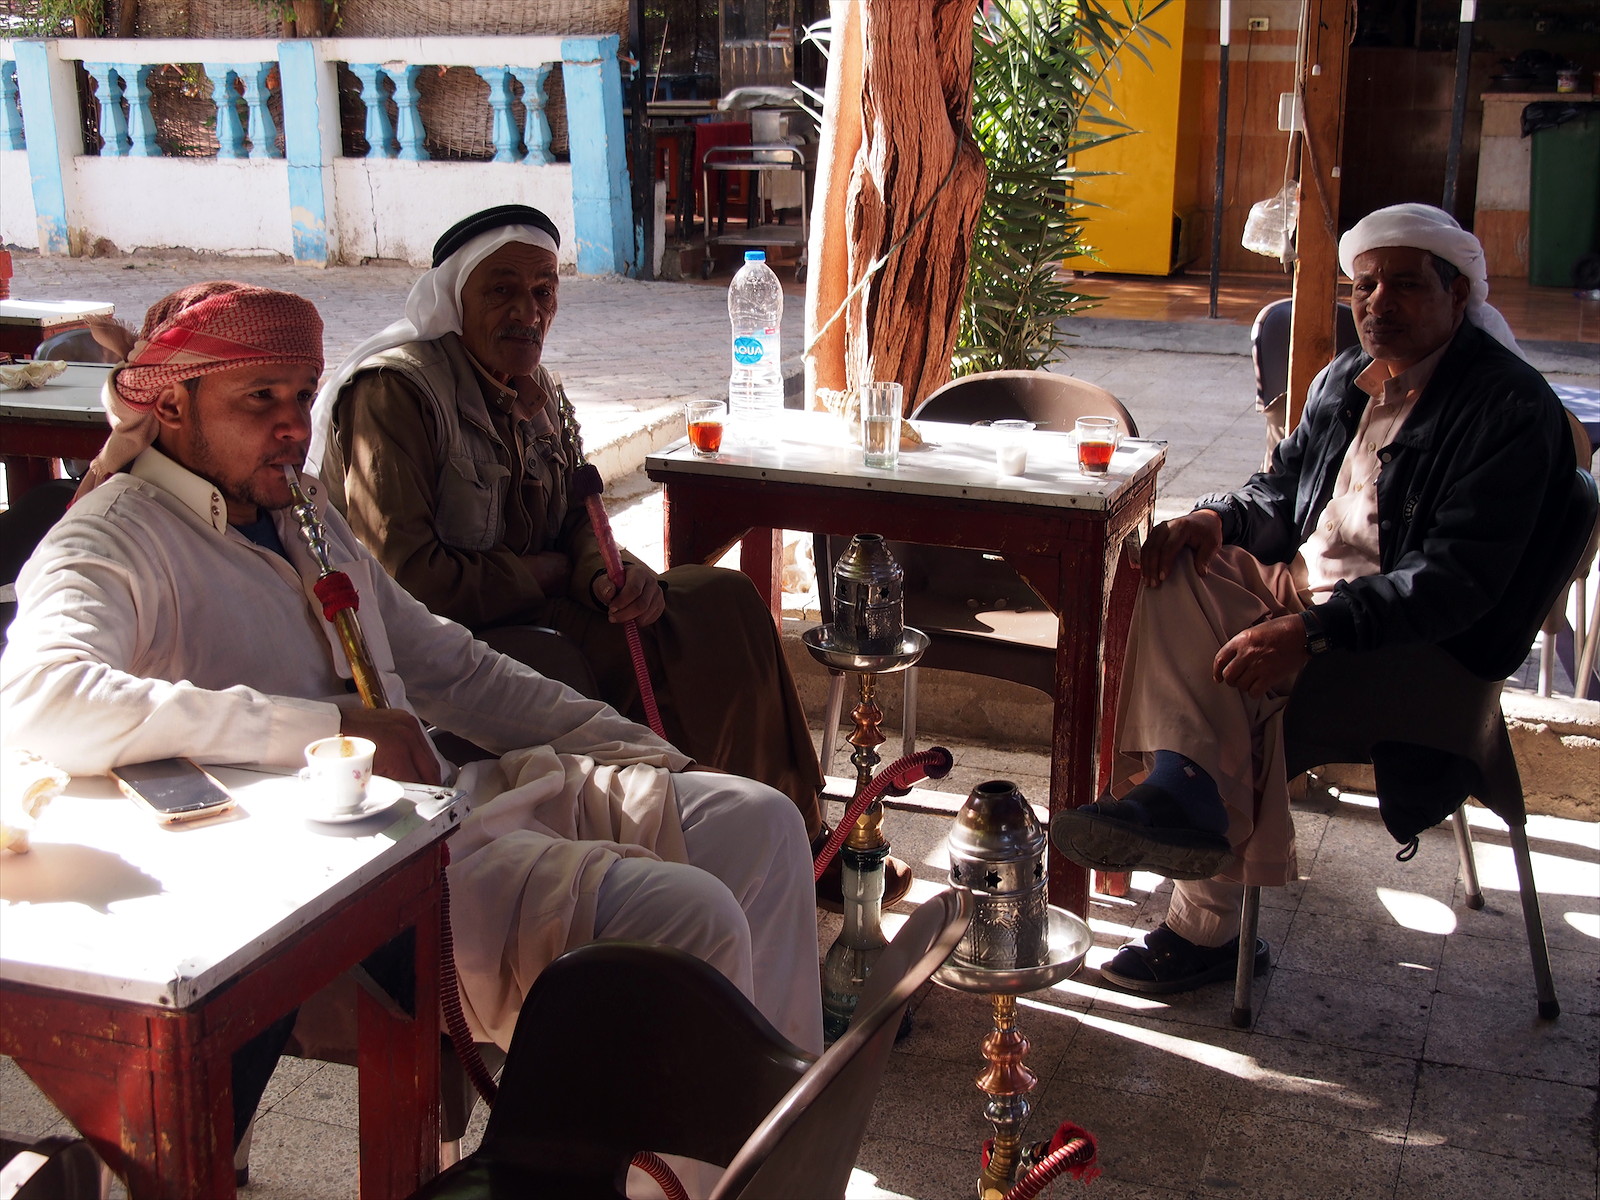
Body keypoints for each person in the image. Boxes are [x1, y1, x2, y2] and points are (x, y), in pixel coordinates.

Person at [0, 284, 825, 1144]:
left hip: (452, 810)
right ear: (171, 404)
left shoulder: (302, 513)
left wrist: (646, 750)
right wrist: (329, 733)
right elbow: (37, 698)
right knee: (686, 913)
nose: (292, 426)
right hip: (342, 883)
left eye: (301, 397)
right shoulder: (111, 539)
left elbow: (451, 666)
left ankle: (775, 1161)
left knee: (759, 822)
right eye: (259, 399)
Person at [305, 204, 907, 909]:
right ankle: (707, 852)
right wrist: (551, 575)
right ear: (455, 297)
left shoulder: (537, 389)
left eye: (543, 291)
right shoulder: (397, 394)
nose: (528, 312)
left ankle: (796, 833)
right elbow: (405, 580)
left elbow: (578, 510)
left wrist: (608, 576)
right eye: (502, 291)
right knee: (679, 656)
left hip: (554, 599)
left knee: (727, 603)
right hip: (467, 630)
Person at [1050, 204, 1576, 994]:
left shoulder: (1507, 409)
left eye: (1405, 285)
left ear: (1458, 294)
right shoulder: (1346, 378)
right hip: (1300, 590)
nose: (1378, 303)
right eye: (1365, 286)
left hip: (1401, 643)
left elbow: (1453, 583)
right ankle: (1184, 794)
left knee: (1224, 681)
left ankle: (1203, 903)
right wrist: (1216, 519)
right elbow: (1283, 490)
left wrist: (1310, 633)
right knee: (1166, 567)